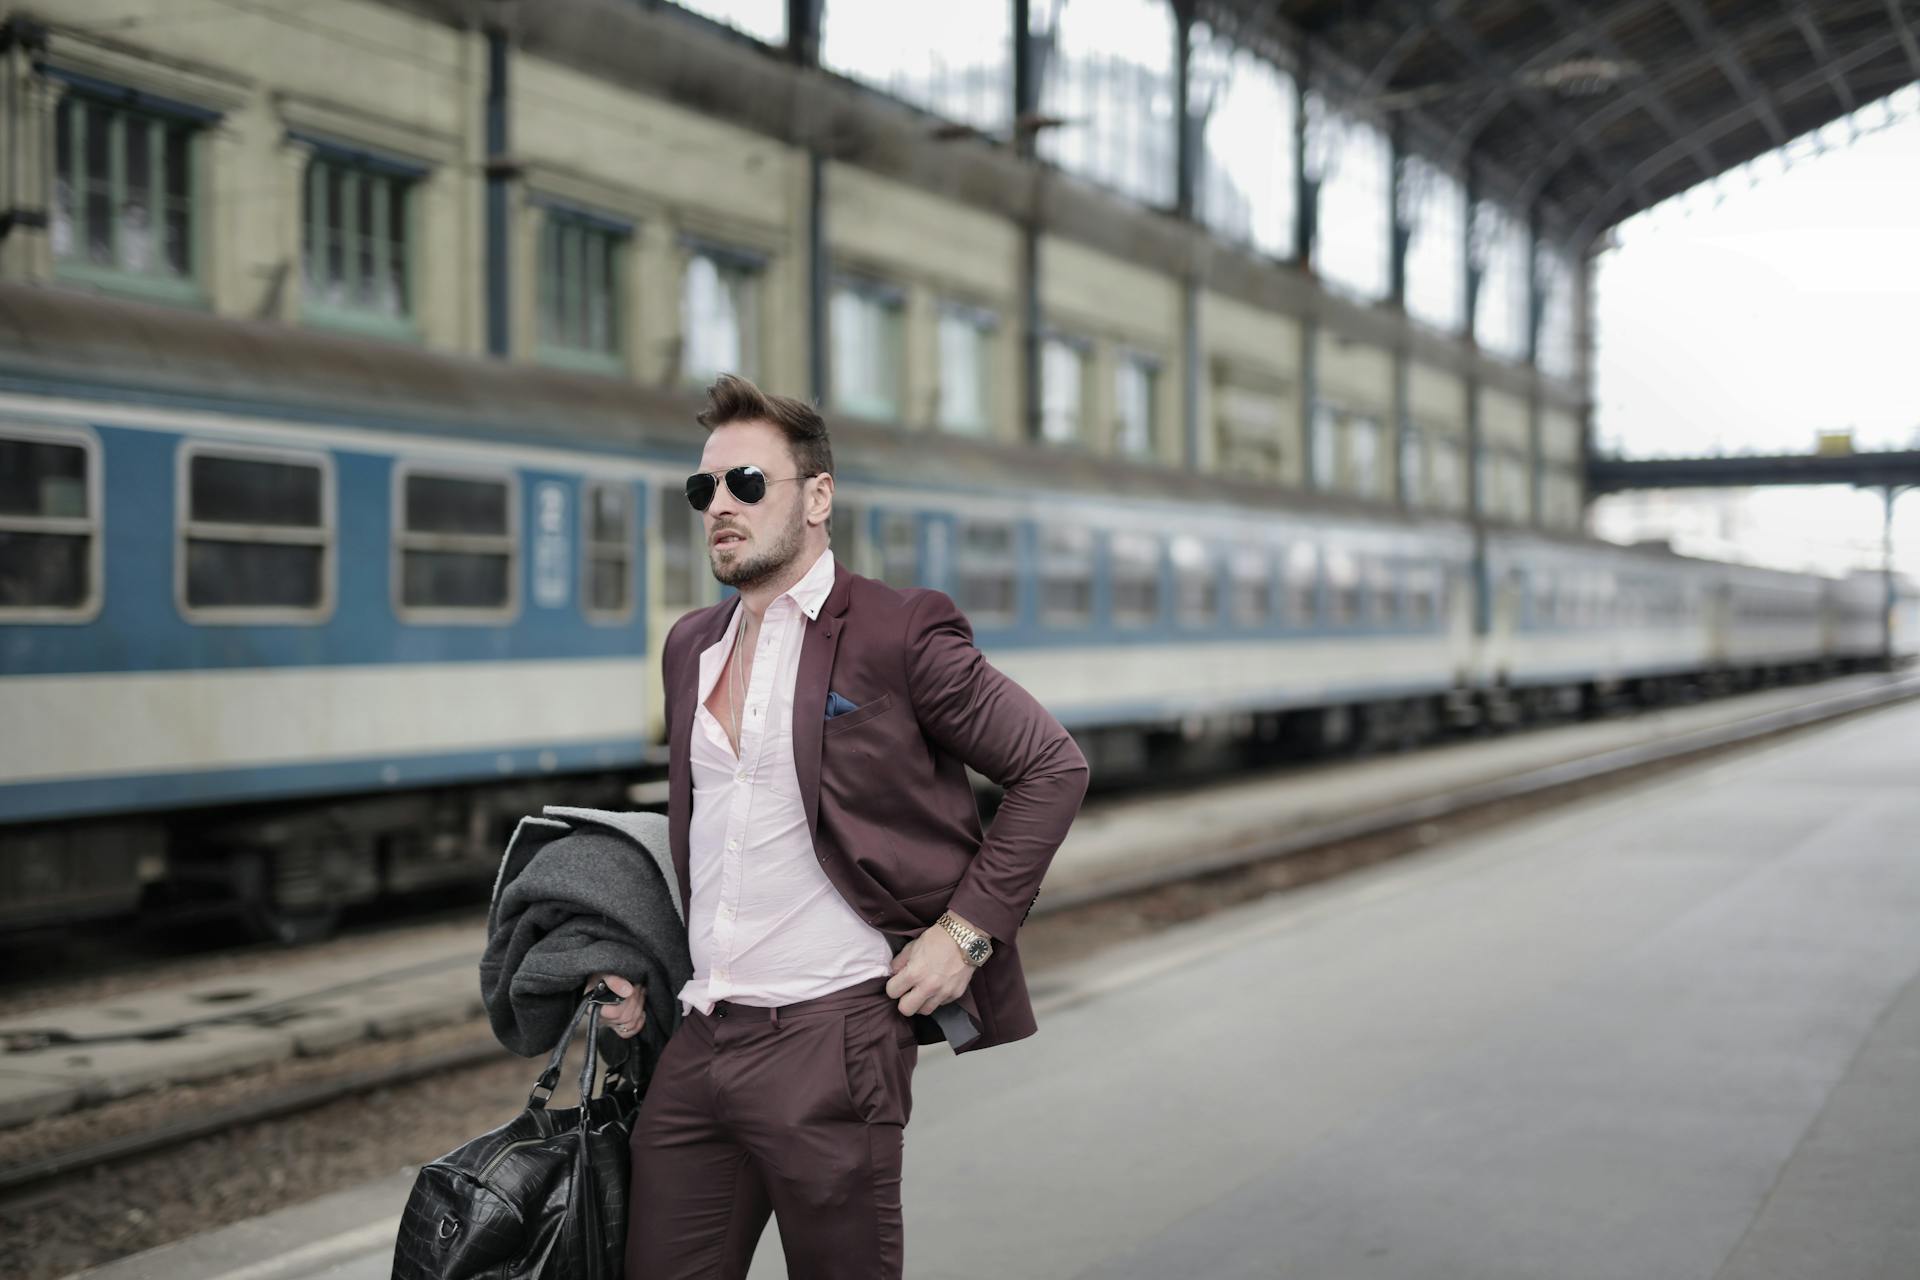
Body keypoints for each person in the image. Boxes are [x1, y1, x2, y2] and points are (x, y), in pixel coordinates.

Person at [591, 373, 1088, 1279]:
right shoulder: (688, 647)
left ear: (818, 497)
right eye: (704, 489)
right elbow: (713, 839)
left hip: (832, 1037)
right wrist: (652, 976)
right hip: (701, 1041)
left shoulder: (898, 631)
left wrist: (965, 936)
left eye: (748, 483)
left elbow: (1052, 766)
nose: (719, 508)